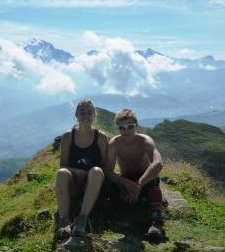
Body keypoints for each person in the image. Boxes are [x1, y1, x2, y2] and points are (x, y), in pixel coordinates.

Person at [104, 108, 165, 242]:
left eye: (129, 126)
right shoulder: (115, 143)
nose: (125, 130)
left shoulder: (145, 141)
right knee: (114, 190)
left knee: (154, 181)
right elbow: (108, 171)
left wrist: (139, 184)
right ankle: (143, 202)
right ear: (117, 128)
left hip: (145, 177)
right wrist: (126, 183)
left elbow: (158, 163)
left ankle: (156, 222)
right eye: (121, 127)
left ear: (136, 125)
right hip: (127, 178)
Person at [55, 98, 109, 241]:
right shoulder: (68, 136)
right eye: (82, 113)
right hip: (74, 182)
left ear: (94, 115)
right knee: (61, 173)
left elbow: (105, 166)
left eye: (89, 113)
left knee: (97, 171)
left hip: (92, 183)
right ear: (76, 115)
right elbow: (63, 165)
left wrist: (90, 173)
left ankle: (82, 218)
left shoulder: (101, 137)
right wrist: (77, 171)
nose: (85, 116)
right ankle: (64, 220)